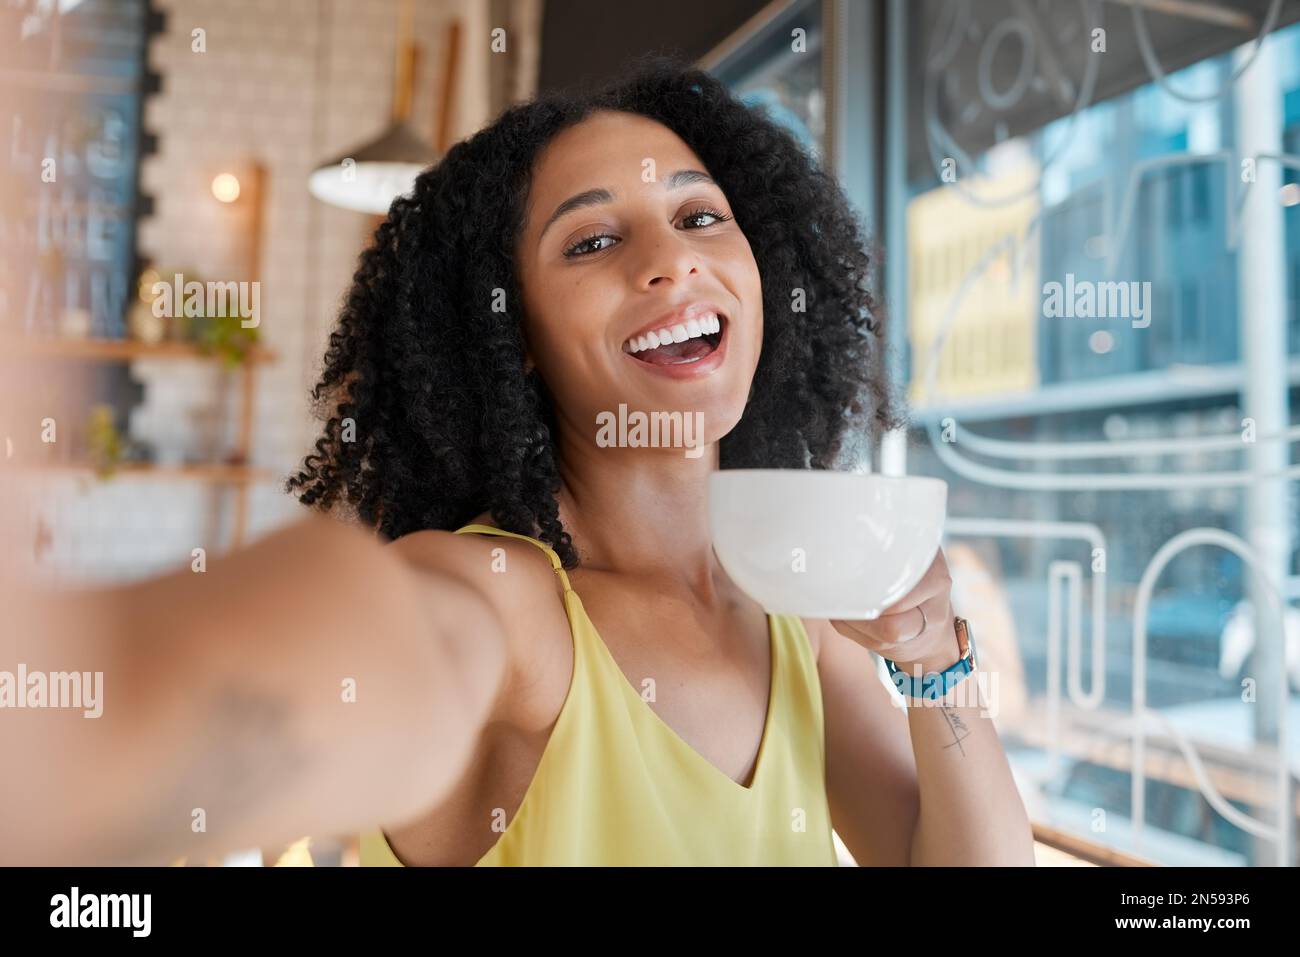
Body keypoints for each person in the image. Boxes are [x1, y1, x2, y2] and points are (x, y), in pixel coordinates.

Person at [0, 57, 1034, 867]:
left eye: (699, 215)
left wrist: (937, 662)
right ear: (511, 337)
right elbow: (374, 641)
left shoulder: (797, 618)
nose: (671, 258)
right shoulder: (506, 611)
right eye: (590, 243)